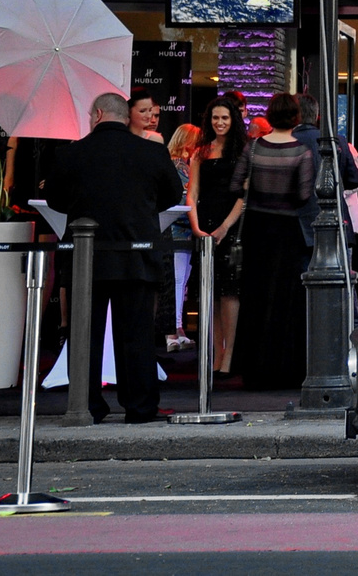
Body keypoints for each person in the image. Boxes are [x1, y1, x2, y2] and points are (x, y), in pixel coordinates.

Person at [44, 92, 182, 424]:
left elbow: (55, 199)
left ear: (99, 114)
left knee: (84, 335)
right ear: (124, 116)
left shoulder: (71, 153)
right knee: (136, 335)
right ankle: (140, 406)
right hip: (136, 255)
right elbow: (173, 194)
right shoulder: (151, 152)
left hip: (85, 257)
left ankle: (87, 404)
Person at [228, 93, 313, 391]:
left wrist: (259, 187)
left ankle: (253, 369)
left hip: (257, 228)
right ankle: (284, 369)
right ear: (296, 118)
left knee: (255, 296)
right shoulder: (301, 152)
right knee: (285, 300)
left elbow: (235, 185)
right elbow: (304, 196)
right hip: (286, 230)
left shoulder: (253, 148)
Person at [188, 96, 247, 377]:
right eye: (215, 118)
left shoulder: (243, 151)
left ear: (233, 119)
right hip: (205, 224)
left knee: (230, 292)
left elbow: (244, 195)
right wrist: (196, 226)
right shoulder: (200, 151)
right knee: (208, 293)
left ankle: (231, 355)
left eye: (224, 117)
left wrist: (225, 227)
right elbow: (193, 192)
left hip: (231, 226)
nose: (220, 123)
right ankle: (215, 354)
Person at [293, 93, 358, 254]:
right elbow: (353, 180)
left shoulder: (288, 141)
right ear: (316, 115)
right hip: (336, 221)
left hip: (298, 225)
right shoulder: (338, 140)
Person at [164, 124, 200, 352]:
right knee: (178, 282)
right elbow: (184, 197)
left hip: (182, 230)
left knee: (180, 281)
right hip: (178, 229)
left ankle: (178, 328)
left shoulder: (179, 165)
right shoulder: (179, 166)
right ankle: (174, 329)